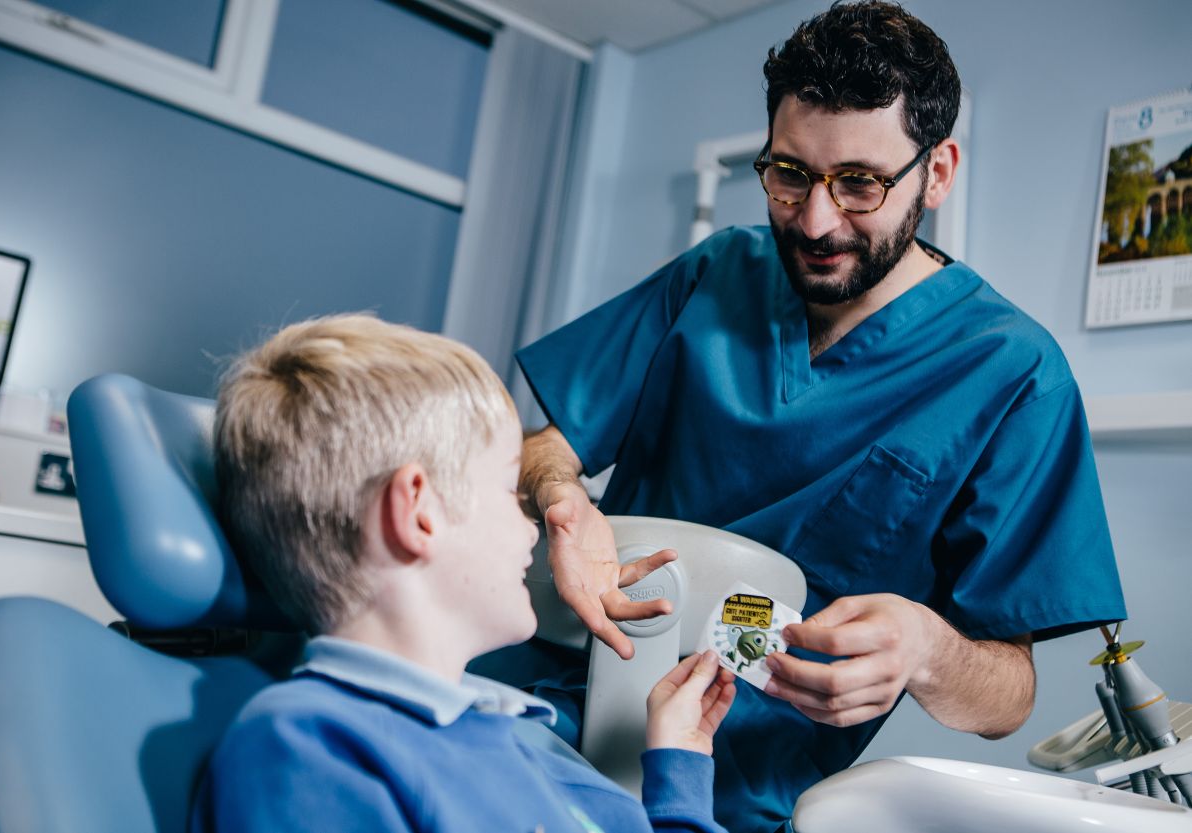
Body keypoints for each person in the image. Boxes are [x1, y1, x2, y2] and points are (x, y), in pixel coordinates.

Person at [512, 1, 1127, 830]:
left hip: (724, 797)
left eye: (860, 183)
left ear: (937, 172)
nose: (816, 219)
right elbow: (546, 448)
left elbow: (1006, 695)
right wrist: (563, 500)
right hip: (533, 714)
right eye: (790, 173)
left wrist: (925, 647)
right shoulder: (714, 274)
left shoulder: (1012, 372)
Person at [189, 313, 738, 833]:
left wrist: (680, 768)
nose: (533, 529)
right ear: (419, 513)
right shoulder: (307, 747)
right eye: (508, 492)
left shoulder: (522, 743)